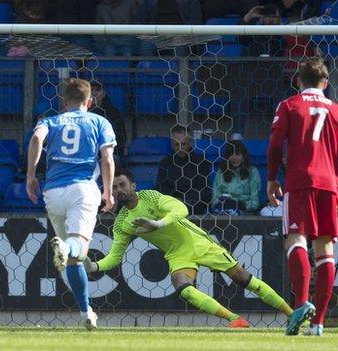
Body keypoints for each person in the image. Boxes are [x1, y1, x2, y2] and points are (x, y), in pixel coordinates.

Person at [84, 168, 293, 327]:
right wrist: (94, 266)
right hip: (177, 254)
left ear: (133, 185)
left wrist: (158, 224)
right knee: (184, 289)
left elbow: (180, 208)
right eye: (114, 187)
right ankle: (235, 320)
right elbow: (114, 257)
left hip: (197, 241)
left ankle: (291, 314)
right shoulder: (121, 222)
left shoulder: (151, 197)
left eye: (122, 185)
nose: (119, 190)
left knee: (242, 278)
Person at [26, 78, 116, 330]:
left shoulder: (50, 121)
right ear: (90, 101)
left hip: (53, 191)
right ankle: (67, 246)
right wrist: (108, 192)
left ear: (63, 102)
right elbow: (107, 158)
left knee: (73, 260)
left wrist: (31, 176)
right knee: (78, 249)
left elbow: (35, 140)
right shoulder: (99, 121)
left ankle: (86, 311)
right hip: (82, 189)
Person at [267, 57, 338, 336]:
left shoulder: (289, 105)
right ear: (326, 83)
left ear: (297, 80)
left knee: (295, 239)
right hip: (330, 184)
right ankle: (318, 323)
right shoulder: (335, 110)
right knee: (326, 250)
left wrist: (272, 178)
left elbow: (274, 145)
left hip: (299, 182)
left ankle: (300, 304)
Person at [156, 126, 212, 215]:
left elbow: (202, 188)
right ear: (171, 144)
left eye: (184, 144)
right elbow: (161, 187)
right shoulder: (165, 163)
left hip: (194, 206)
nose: (180, 148)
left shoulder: (201, 162)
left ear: (190, 143)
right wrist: (174, 201)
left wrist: (184, 201)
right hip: (171, 205)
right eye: (177, 144)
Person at [211, 141, 261, 214]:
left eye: (237, 154)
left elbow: (255, 201)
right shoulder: (221, 172)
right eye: (231, 154)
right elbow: (215, 197)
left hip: (245, 210)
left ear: (244, 155)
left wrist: (241, 205)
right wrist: (220, 204)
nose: (234, 158)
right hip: (223, 210)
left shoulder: (253, 171)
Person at [89, 81, 127, 161]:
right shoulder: (83, 111)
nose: (94, 93)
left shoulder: (113, 112)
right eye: (92, 90)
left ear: (104, 93)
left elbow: (121, 137)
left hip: (107, 153)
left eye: (97, 90)